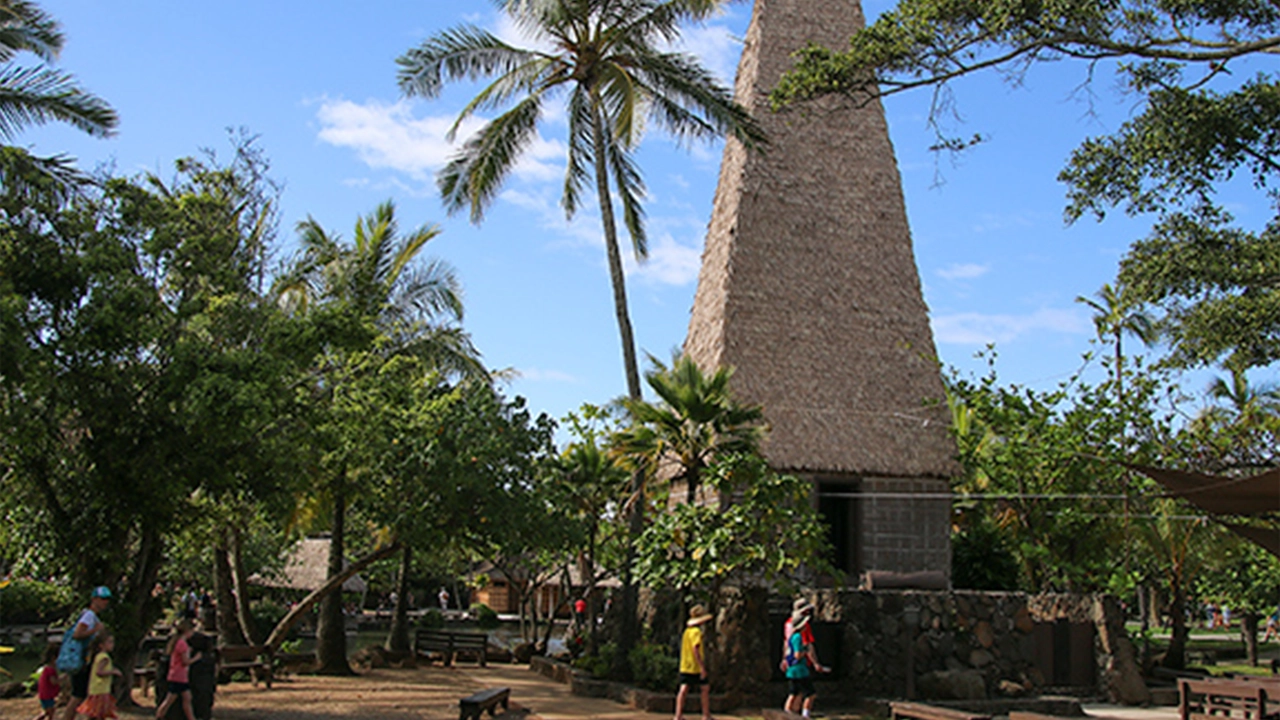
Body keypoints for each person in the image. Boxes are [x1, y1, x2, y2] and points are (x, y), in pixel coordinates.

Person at [62, 586, 111, 720]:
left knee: (86, 694)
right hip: (81, 660)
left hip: (86, 659)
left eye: (107, 599)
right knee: (78, 695)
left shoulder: (90, 615)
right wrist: (96, 630)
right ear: (94, 599)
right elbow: (78, 634)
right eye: (102, 599)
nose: (105, 602)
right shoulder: (89, 616)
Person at [154, 620, 203, 720]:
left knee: (186, 698)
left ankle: (191, 718)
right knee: (170, 700)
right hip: (179, 676)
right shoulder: (182, 644)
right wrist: (196, 658)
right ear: (187, 631)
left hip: (178, 675)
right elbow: (185, 662)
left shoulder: (178, 642)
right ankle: (159, 716)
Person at [784, 612, 829, 719]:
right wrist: (805, 650)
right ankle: (806, 715)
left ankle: (786, 714)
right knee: (810, 694)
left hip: (792, 669)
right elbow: (797, 655)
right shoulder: (798, 637)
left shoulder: (791, 637)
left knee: (794, 693)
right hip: (800, 670)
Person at [675, 604, 713, 720]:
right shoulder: (696, 632)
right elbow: (695, 648)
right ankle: (706, 714)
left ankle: (678, 715)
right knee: (705, 688)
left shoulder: (687, 631)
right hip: (695, 666)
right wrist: (702, 667)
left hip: (686, 665)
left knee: (683, 689)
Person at [76, 632, 121, 720]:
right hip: (100, 689)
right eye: (109, 642)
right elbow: (99, 672)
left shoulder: (98, 656)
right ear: (101, 645)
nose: (112, 645)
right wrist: (113, 672)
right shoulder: (104, 657)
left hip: (96, 689)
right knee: (99, 714)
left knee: (96, 715)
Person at [33, 644, 60, 720]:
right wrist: (62, 679)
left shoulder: (46, 668)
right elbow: (53, 682)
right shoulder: (50, 669)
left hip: (45, 695)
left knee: (46, 712)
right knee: (51, 713)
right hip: (47, 695)